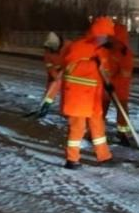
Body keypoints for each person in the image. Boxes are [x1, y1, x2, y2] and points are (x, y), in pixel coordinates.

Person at [39, 16, 115, 169]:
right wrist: (48, 99)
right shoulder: (79, 47)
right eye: (104, 36)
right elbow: (66, 71)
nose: (106, 39)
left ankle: (104, 157)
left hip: (93, 96)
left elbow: (104, 71)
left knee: (98, 127)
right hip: (78, 96)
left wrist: (108, 84)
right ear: (98, 34)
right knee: (77, 128)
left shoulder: (100, 51)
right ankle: (72, 160)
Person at [103, 22, 136, 145]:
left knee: (122, 112)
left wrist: (111, 81)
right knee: (100, 110)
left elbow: (124, 73)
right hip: (105, 86)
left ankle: (123, 134)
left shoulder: (124, 53)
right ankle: (95, 132)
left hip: (119, 88)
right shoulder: (106, 49)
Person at [40, 31, 64, 109]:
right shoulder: (47, 52)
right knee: (51, 88)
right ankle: (45, 105)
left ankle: (66, 107)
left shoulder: (67, 46)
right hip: (55, 73)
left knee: (67, 91)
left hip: (67, 71)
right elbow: (49, 66)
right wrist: (55, 75)